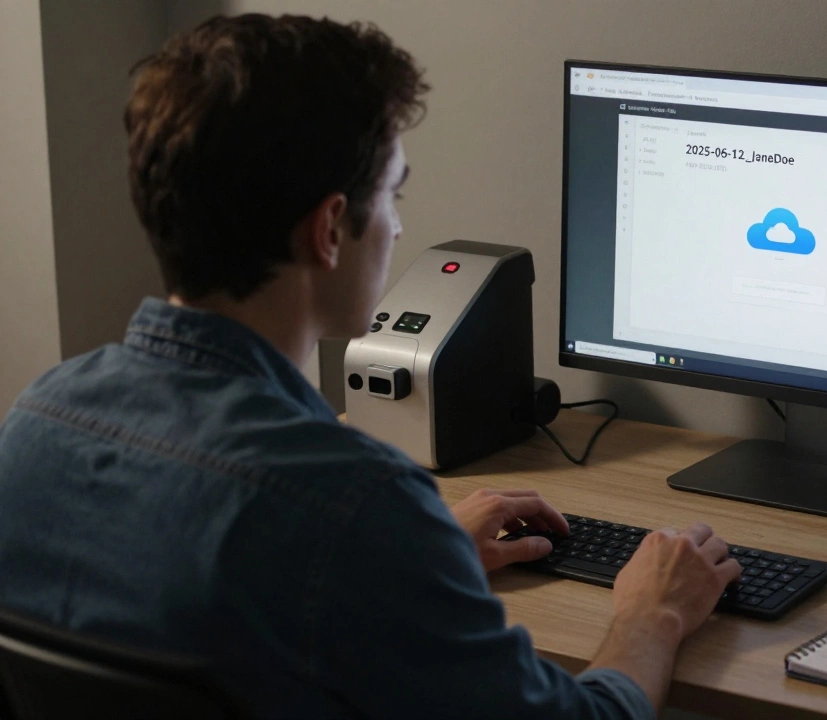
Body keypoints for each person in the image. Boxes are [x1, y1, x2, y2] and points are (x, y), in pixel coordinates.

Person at [0, 14, 740, 719]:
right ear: (329, 229)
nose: (397, 224)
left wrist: (419, 563)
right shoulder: (355, 506)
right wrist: (654, 613)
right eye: (393, 193)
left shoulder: (34, 424)